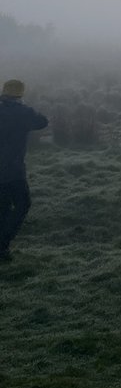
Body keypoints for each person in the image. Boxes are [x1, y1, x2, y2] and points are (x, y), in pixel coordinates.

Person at [0, 78, 49, 262]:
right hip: (12, 171)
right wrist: (26, 108)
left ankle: (2, 250)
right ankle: (2, 244)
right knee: (23, 204)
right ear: (20, 95)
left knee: (3, 208)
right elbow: (43, 122)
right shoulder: (23, 112)